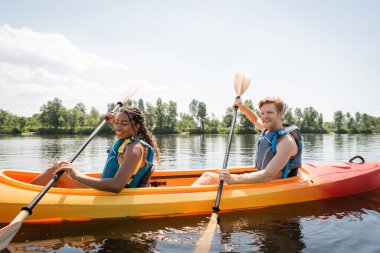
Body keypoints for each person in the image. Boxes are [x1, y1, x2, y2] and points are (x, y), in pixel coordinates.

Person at [31, 107, 160, 193]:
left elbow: (116, 186)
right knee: (59, 166)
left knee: (57, 169)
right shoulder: (130, 142)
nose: (117, 127)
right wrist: (115, 121)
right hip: (104, 191)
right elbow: (121, 128)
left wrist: (77, 175)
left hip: (108, 195)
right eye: (116, 123)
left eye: (124, 124)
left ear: (136, 126)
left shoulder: (134, 148)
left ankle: (25, 195)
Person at [192, 97, 302, 186]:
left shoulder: (286, 142)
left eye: (270, 112)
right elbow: (255, 119)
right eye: (262, 113)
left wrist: (233, 179)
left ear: (281, 114)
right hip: (261, 180)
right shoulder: (267, 130)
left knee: (208, 177)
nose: (265, 117)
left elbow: (268, 175)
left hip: (271, 184)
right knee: (207, 176)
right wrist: (242, 107)